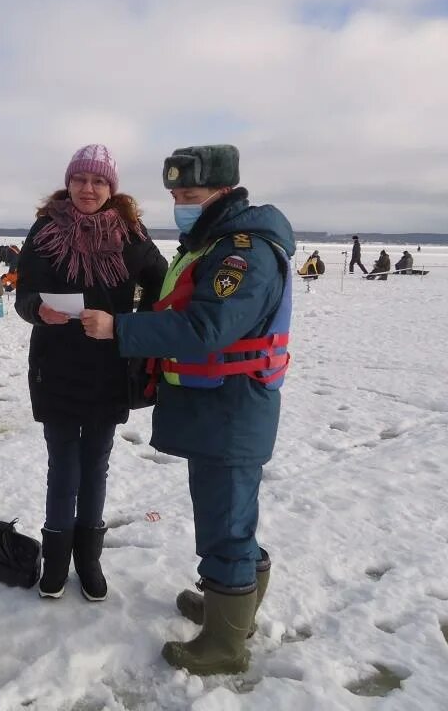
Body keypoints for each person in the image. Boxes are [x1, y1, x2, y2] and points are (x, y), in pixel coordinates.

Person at [81, 144, 295, 676]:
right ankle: (230, 608)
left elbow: (207, 328)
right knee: (224, 515)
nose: (181, 203)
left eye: (191, 195)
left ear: (225, 192)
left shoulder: (244, 253)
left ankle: (226, 644)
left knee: (227, 521)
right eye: (175, 195)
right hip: (216, 408)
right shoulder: (213, 243)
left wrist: (120, 328)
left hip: (231, 408)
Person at [16, 144, 167, 602]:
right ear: (69, 182)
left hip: (108, 371)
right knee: (63, 466)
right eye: (81, 180)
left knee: (95, 467)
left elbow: (163, 284)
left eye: (99, 181)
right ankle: (57, 559)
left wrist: (124, 324)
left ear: (111, 188)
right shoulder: (44, 230)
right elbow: (23, 295)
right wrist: (39, 310)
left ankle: (89, 559)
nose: (88, 189)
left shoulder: (131, 234)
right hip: (55, 367)